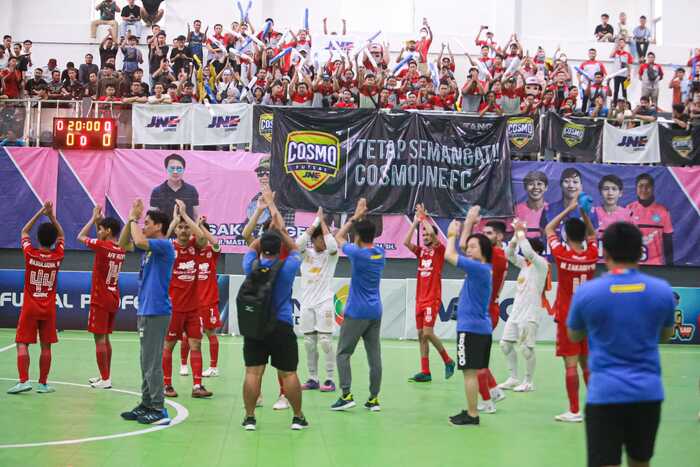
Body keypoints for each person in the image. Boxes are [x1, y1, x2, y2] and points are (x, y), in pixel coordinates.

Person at [568, 222, 675, 467]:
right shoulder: (662, 291)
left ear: (605, 253)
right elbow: (666, 336)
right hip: (647, 394)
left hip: (604, 394)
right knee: (640, 462)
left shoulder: (587, 293)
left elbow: (574, 335)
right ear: (640, 251)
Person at [240, 189, 308, 431]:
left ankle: (250, 417)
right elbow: (295, 249)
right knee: (289, 374)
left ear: (261, 247)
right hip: (281, 325)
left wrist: (263, 219)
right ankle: (297, 417)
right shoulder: (287, 267)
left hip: (255, 326)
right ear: (279, 247)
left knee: (253, 373)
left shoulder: (251, 265)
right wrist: (279, 229)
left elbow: (249, 242)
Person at [119, 199, 175, 425]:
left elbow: (139, 240)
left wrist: (134, 218)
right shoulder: (150, 249)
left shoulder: (163, 245)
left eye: (147, 223)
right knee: (145, 361)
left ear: (159, 227)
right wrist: (130, 220)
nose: (143, 226)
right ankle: (146, 403)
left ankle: (159, 409)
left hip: (156, 311)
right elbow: (123, 244)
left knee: (152, 363)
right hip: (145, 310)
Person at [544, 200, 598, 423]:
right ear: (584, 236)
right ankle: (597, 407)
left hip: (568, 318)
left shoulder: (561, 254)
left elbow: (548, 229)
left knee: (571, 364)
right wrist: (584, 212)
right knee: (587, 364)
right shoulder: (592, 254)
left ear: (565, 235)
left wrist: (569, 209)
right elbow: (593, 235)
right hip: (588, 319)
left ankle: (574, 410)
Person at [331, 198, 385, 412]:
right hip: (375, 311)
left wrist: (354, 217)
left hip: (356, 312)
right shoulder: (380, 253)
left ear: (358, 237)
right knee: (374, 357)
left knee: (343, 353)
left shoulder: (357, 254)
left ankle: (346, 395)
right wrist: (362, 218)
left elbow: (338, 237)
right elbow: (359, 238)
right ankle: (374, 399)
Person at [7, 201, 65, 395]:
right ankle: (42, 384)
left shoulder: (30, 253)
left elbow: (24, 231)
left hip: (30, 307)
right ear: (53, 240)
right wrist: (52, 216)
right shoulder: (58, 255)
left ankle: (23, 381)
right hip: (48, 309)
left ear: (38, 239)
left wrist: (41, 211)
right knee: (45, 346)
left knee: (22, 343)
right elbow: (62, 235)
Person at [444, 207, 493, 426]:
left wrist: (451, 234)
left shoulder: (478, 269)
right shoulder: (482, 268)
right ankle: (472, 409)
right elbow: (464, 246)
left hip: (470, 329)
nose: (468, 249)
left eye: (474, 247)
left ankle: (473, 414)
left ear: (483, 250)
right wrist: (469, 222)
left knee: (469, 374)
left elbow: (450, 254)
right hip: (480, 328)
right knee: (471, 372)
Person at [160, 200, 212, 399]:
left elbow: (202, 238)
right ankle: (166, 385)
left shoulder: (194, 246)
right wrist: (174, 220)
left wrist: (186, 215)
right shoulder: (168, 248)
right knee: (169, 346)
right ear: (175, 230)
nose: (183, 230)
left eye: (186, 227)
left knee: (196, 345)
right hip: (173, 308)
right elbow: (160, 240)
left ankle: (197, 386)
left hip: (193, 309)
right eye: (180, 227)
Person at [403, 203, 455, 383]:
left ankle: (448, 360)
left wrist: (424, 217)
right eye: (423, 235)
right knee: (421, 336)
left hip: (432, 299)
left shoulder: (439, 250)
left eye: (427, 234)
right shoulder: (422, 253)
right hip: (420, 299)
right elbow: (405, 243)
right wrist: (415, 223)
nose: (425, 236)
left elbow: (433, 233)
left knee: (427, 333)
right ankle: (425, 371)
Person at [77, 205, 126, 389]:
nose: (98, 231)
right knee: (105, 338)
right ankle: (105, 375)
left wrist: (92, 219)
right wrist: (101, 220)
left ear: (108, 231)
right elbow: (104, 236)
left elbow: (80, 236)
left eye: (101, 229)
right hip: (113, 297)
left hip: (100, 298)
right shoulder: (120, 249)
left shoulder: (102, 246)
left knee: (99, 339)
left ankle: (105, 379)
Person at [462, 214, 507, 412]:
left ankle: (487, 402)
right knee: (479, 358)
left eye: (488, 234)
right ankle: (494, 390)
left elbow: (463, 246)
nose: (484, 237)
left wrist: (469, 223)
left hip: (485, 311)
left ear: (499, 237)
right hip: (488, 308)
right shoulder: (497, 254)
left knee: (475, 362)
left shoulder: (495, 255)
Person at [499, 220, 549, 393]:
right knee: (505, 345)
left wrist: (521, 232)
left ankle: (528, 381)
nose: (523, 252)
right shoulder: (524, 264)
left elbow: (527, 250)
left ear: (536, 251)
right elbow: (508, 253)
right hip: (515, 313)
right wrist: (515, 236)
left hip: (530, 314)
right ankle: (513, 378)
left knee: (526, 349)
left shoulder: (541, 264)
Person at [297, 207, 339, 392]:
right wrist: (315, 222)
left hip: (324, 303)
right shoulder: (305, 254)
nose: (324, 241)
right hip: (307, 304)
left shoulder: (331, 256)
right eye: (320, 238)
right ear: (313, 240)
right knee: (309, 343)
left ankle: (329, 379)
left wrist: (323, 222)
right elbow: (298, 244)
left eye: (324, 237)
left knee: (325, 341)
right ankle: (313, 378)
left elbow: (333, 246)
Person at [194, 217, 222, 378]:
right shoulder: (192, 252)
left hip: (209, 301)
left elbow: (216, 242)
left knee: (210, 332)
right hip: (193, 303)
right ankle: (184, 365)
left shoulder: (212, 252)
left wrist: (201, 226)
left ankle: (213, 367)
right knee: (190, 336)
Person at [626, 173, 673, 266]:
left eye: (648, 186)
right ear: (636, 189)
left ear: (653, 188)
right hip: (633, 264)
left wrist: (670, 265)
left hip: (656, 265)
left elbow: (668, 241)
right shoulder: (628, 209)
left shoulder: (663, 211)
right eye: (641, 186)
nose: (644, 189)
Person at [545, 168, 599, 236]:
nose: (571, 185)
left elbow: (593, 237)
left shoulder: (590, 211)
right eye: (566, 181)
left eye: (575, 182)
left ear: (581, 186)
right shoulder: (548, 210)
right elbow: (544, 235)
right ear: (561, 185)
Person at [150, 153, 199, 220]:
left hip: (187, 226)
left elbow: (196, 216)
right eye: (172, 168)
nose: (175, 171)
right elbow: (152, 218)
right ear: (166, 169)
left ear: (184, 169)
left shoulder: (192, 190)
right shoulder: (157, 191)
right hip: (166, 227)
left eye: (179, 168)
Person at [515, 170, 549, 239]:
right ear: (525, 187)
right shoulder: (516, 210)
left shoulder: (552, 209)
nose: (535, 187)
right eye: (531, 184)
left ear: (546, 187)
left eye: (539, 184)